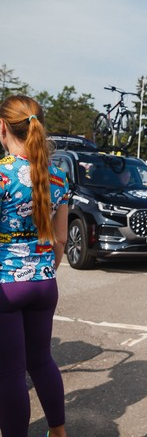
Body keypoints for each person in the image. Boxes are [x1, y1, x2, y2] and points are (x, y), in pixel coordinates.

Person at [0, 96, 70, 437]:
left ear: (2, 128)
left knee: (11, 373)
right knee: (42, 361)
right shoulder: (57, 177)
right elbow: (60, 241)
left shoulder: (1, 176)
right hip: (45, 283)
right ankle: (59, 433)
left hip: (6, 287)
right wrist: (46, 269)